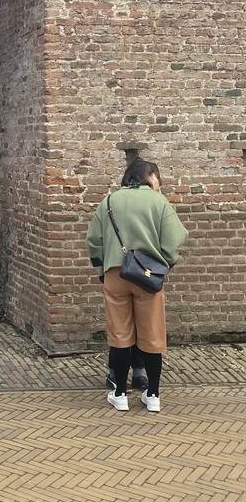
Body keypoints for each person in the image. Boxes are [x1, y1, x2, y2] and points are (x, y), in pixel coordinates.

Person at [86, 158, 188, 412]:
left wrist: (102, 271)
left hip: (116, 273)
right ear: (149, 177)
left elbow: (93, 242)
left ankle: (119, 393)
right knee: (152, 335)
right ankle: (152, 395)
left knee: (119, 335)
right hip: (147, 274)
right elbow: (176, 238)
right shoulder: (158, 201)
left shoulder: (109, 201)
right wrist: (164, 264)